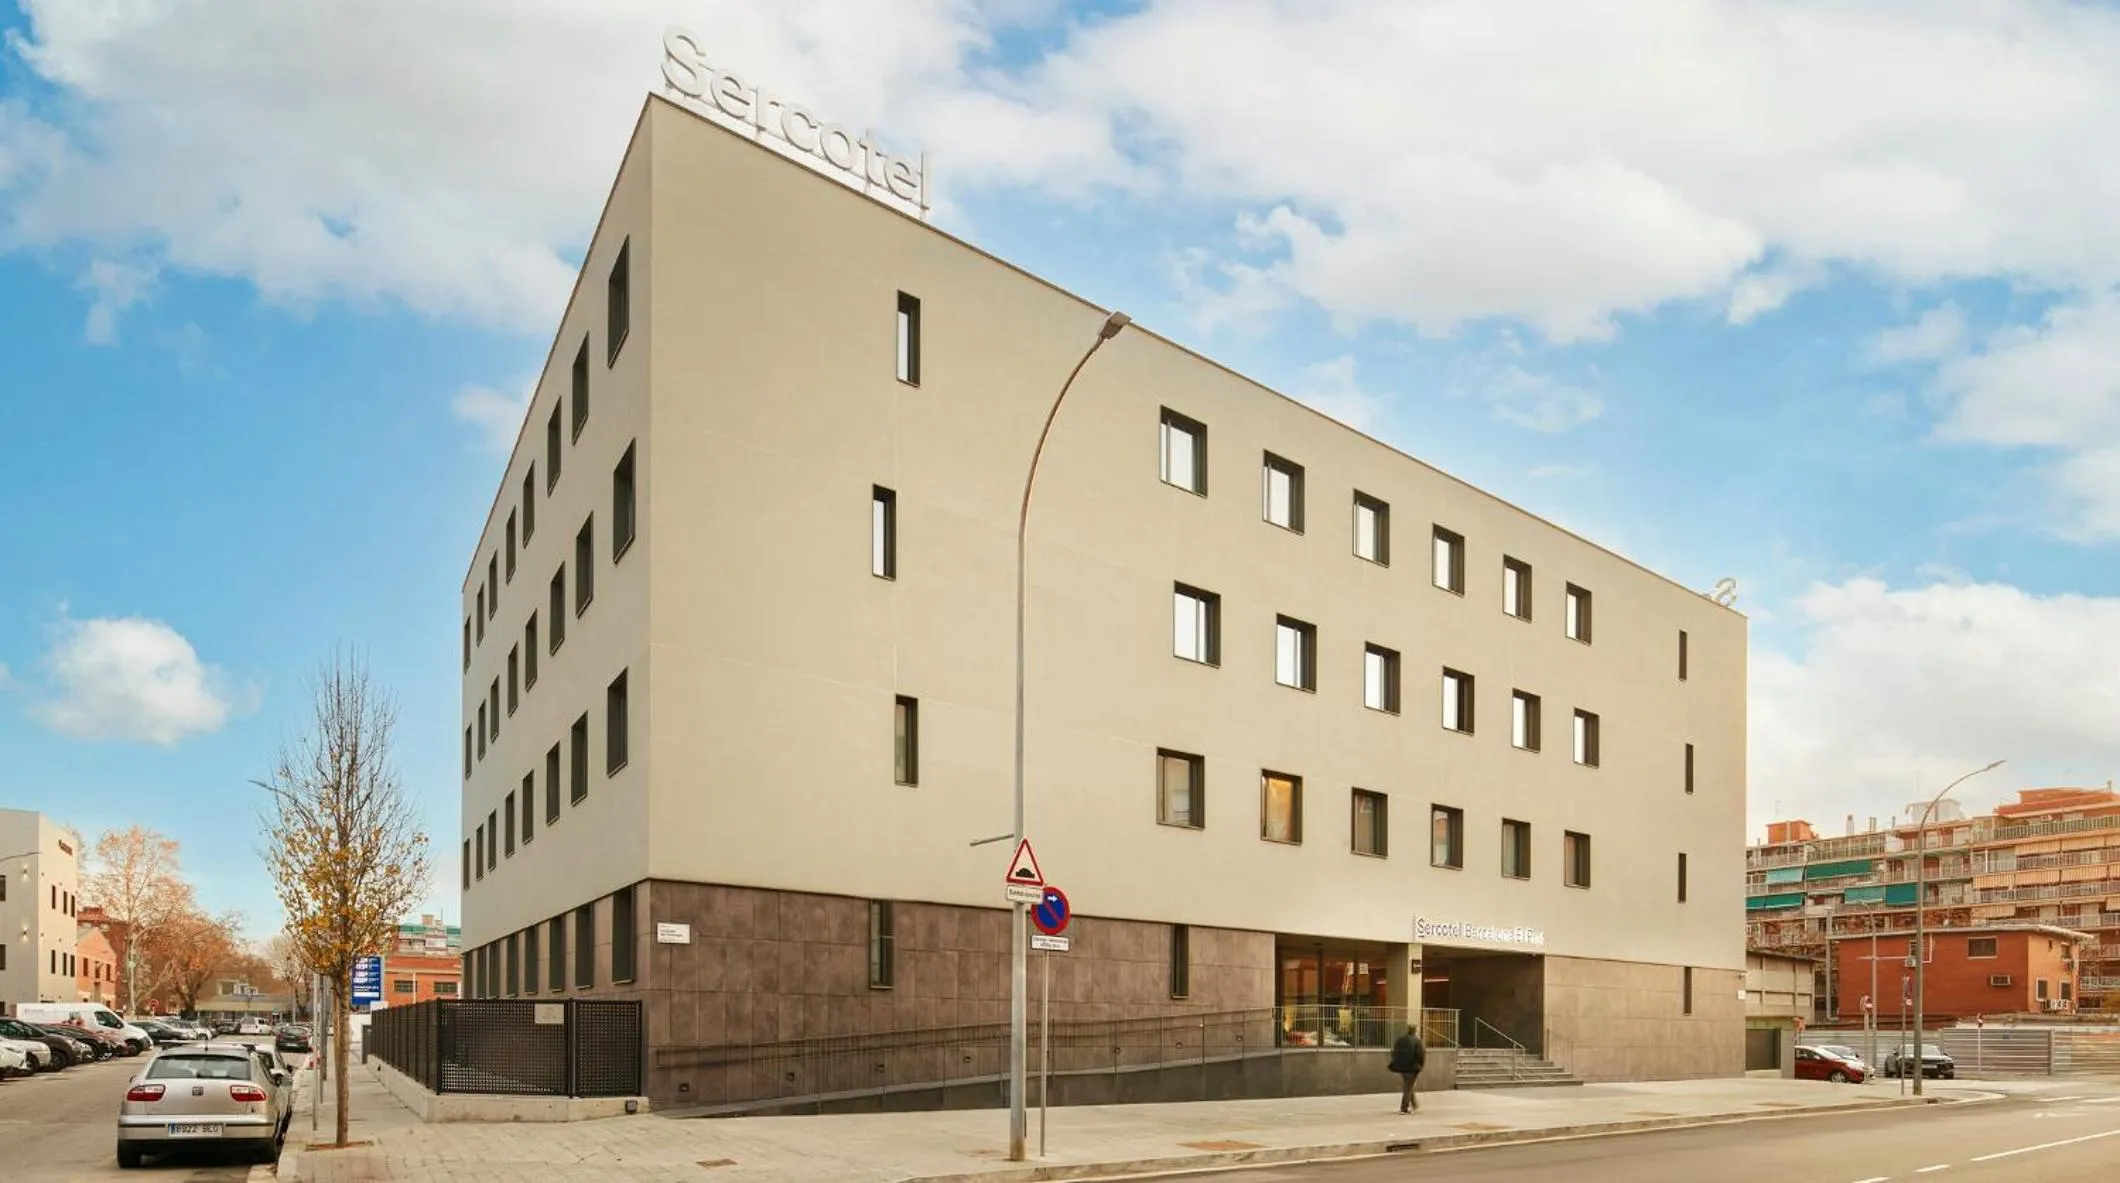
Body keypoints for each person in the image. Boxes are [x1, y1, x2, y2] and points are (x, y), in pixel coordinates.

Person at [1389, 1025, 1426, 1112]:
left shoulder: (1401, 1040)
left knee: (1408, 1085)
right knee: (1408, 1087)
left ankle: (1414, 1104)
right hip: (1412, 1068)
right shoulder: (1417, 1041)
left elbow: (1394, 1052)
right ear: (1415, 1031)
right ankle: (1404, 1108)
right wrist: (1420, 1066)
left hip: (1401, 1067)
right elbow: (1421, 1055)